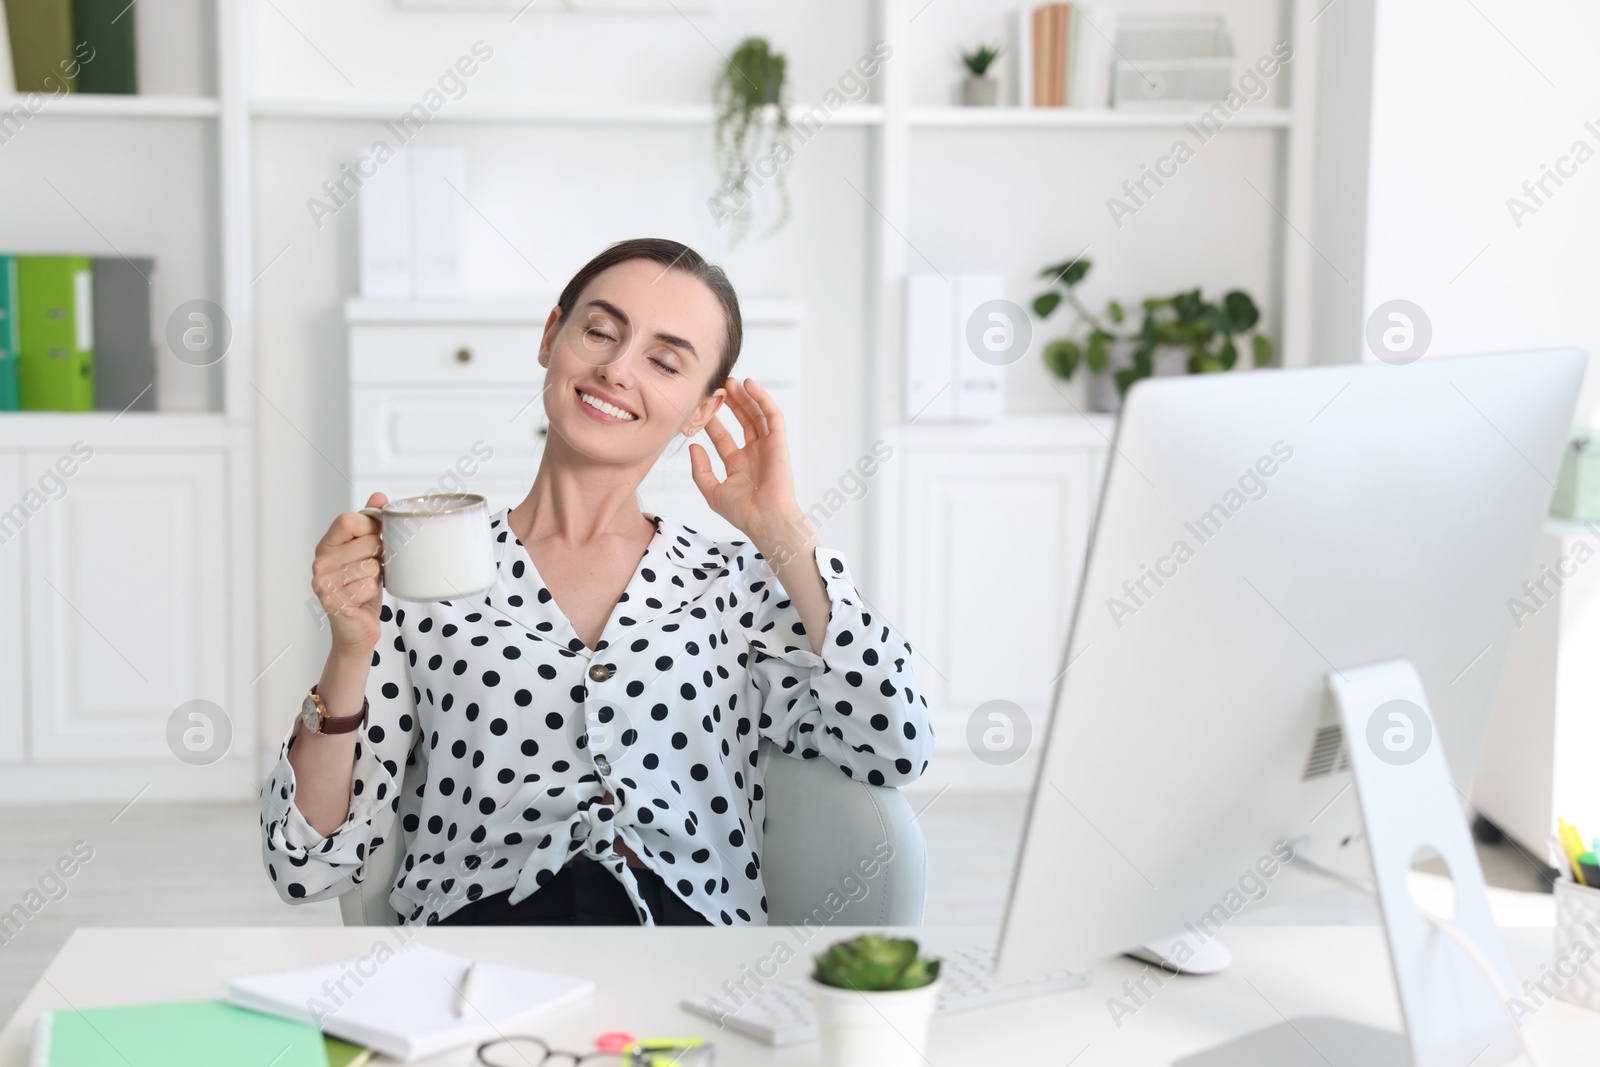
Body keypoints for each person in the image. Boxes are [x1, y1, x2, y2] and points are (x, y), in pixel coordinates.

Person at [260, 237, 933, 926]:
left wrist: (783, 531)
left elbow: (896, 741)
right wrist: (348, 650)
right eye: (601, 331)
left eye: (665, 361)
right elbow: (304, 867)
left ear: (702, 408)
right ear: (553, 336)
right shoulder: (425, 572)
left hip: (687, 946)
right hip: (482, 943)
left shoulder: (737, 583)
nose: (616, 368)